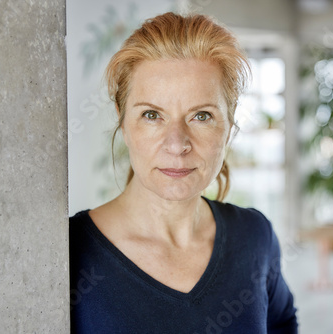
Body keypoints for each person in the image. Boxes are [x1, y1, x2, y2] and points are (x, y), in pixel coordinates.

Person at [69, 11, 298, 334]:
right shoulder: (68, 251)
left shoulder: (254, 236)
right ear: (123, 121)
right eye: (152, 115)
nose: (176, 145)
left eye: (201, 116)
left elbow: (283, 323)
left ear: (229, 125)